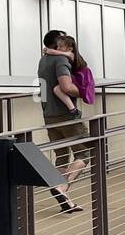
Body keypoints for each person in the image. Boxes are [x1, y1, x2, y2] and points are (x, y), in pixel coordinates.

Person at [37, 37, 86, 214]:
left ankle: (65, 201)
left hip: (49, 115)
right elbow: (66, 86)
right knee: (85, 153)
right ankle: (62, 188)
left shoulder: (42, 61)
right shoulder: (60, 60)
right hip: (66, 115)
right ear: (57, 45)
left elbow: (42, 90)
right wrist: (84, 91)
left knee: (62, 156)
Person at [46, 35, 95, 114]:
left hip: (82, 77)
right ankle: (72, 109)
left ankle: (73, 109)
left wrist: (49, 50)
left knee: (57, 89)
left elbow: (55, 52)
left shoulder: (71, 54)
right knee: (57, 89)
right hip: (75, 77)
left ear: (70, 49)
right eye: (57, 46)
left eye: (60, 46)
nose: (58, 48)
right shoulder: (65, 56)